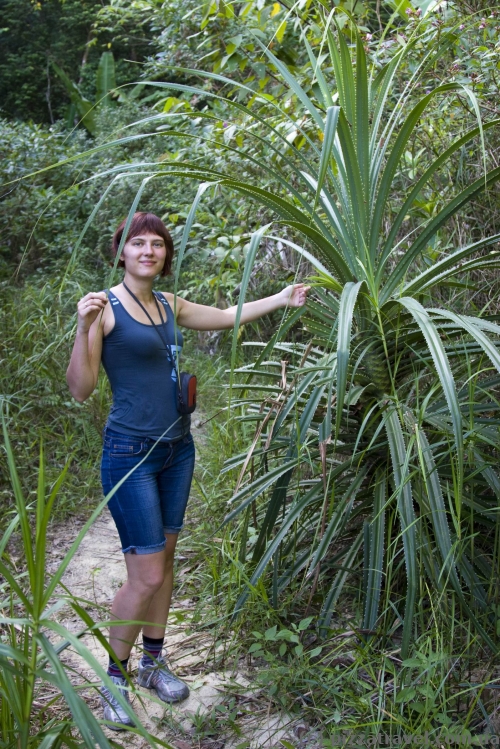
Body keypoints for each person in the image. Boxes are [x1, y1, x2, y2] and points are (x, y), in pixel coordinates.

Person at [66, 211, 309, 730]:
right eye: (138, 244)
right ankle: (115, 677)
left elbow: (226, 314)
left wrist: (282, 298)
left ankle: (154, 662)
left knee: (167, 562)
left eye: (157, 244)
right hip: (130, 453)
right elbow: (81, 388)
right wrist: (84, 328)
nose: (148, 251)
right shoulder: (105, 309)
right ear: (122, 252)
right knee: (146, 572)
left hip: (178, 451)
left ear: (166, 256)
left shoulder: (170, 306)